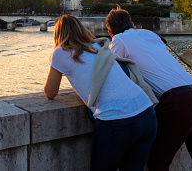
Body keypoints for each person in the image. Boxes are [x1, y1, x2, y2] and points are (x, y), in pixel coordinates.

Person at [105, 6, 192, 171]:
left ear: (110, 32)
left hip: (177, 104)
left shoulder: (119, 40)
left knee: (157, 162)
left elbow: (113, 72)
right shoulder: (149, 34)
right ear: (133, 24)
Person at [44, 15, 158, 171]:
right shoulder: (98, 47)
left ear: (58, 34)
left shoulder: (60, 53)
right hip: (147, 112)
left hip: (117, 119)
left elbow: (50, 92)